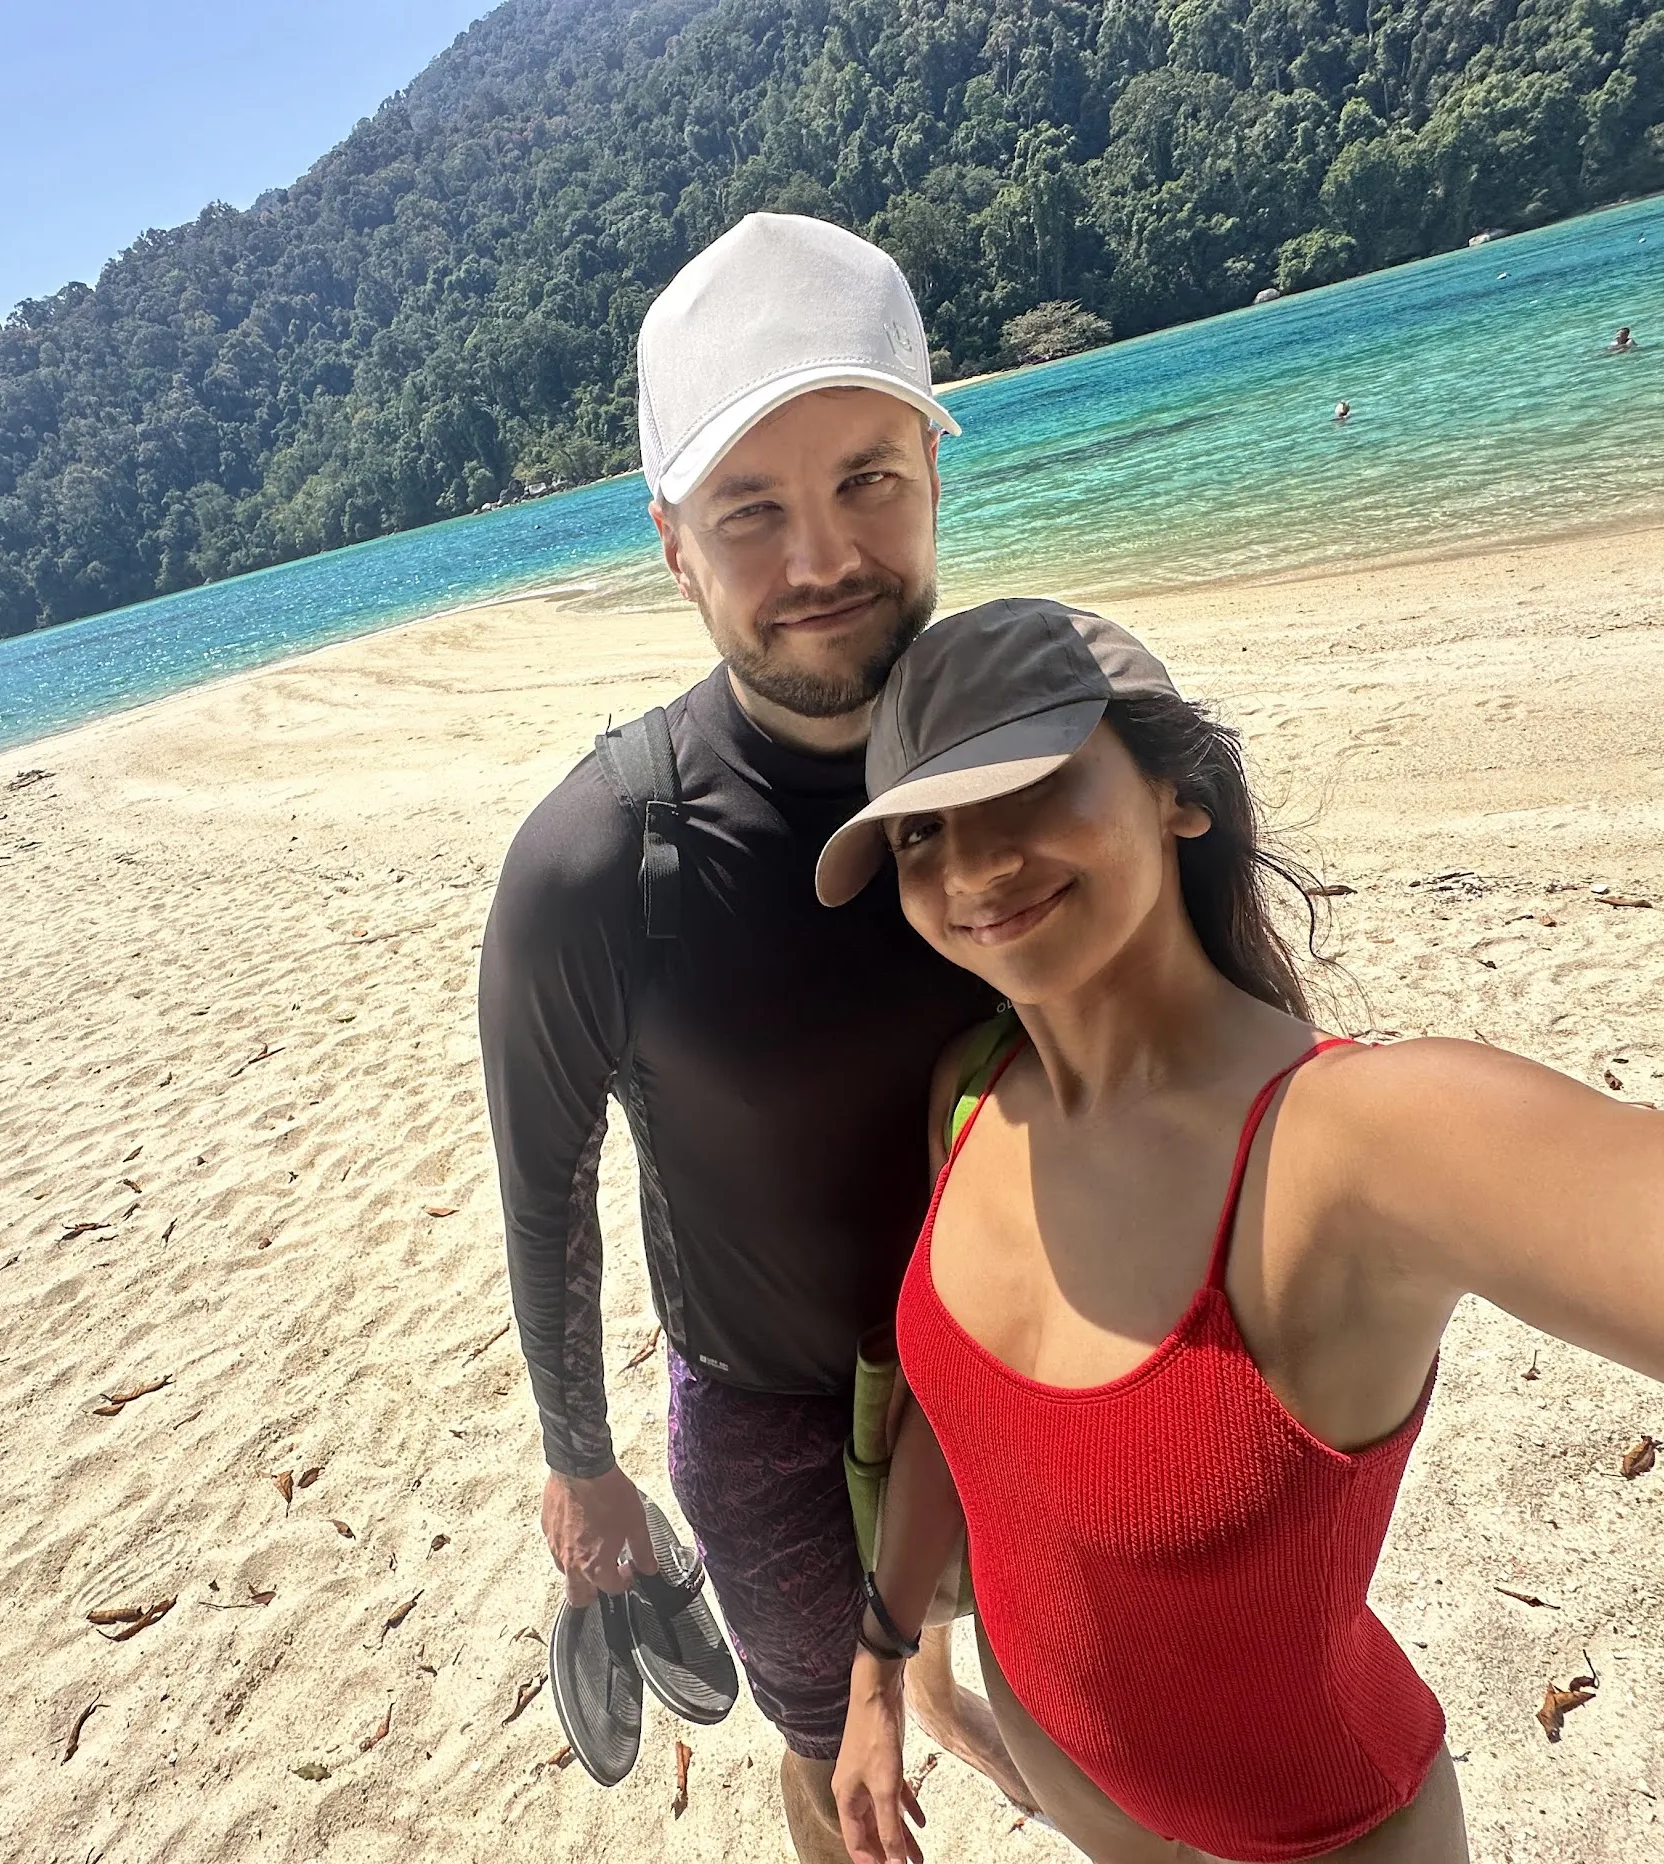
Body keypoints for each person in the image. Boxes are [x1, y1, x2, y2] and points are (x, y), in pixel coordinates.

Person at [822, 599, 1664, 1863]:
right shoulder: (968, 1093)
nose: (968, 869)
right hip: (1084, 1807)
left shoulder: (1343, 1146)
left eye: (1025, 784)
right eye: (919, 832)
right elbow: (953, 1428)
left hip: (1325, 1832)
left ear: (1180, 792)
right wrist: (882, 1666)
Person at [478, 214, 1035, 1859]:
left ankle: (941, 1680)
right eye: (749, 509)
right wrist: (580, 1473)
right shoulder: (595, 860)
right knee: (832, 1769)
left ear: (935, 461)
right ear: (670, 542)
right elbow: (543, 1184)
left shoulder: (1046, 754)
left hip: (1036, 1356)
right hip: (776, 1417)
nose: (820, 557)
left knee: (1095, 1706)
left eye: (866, 475)